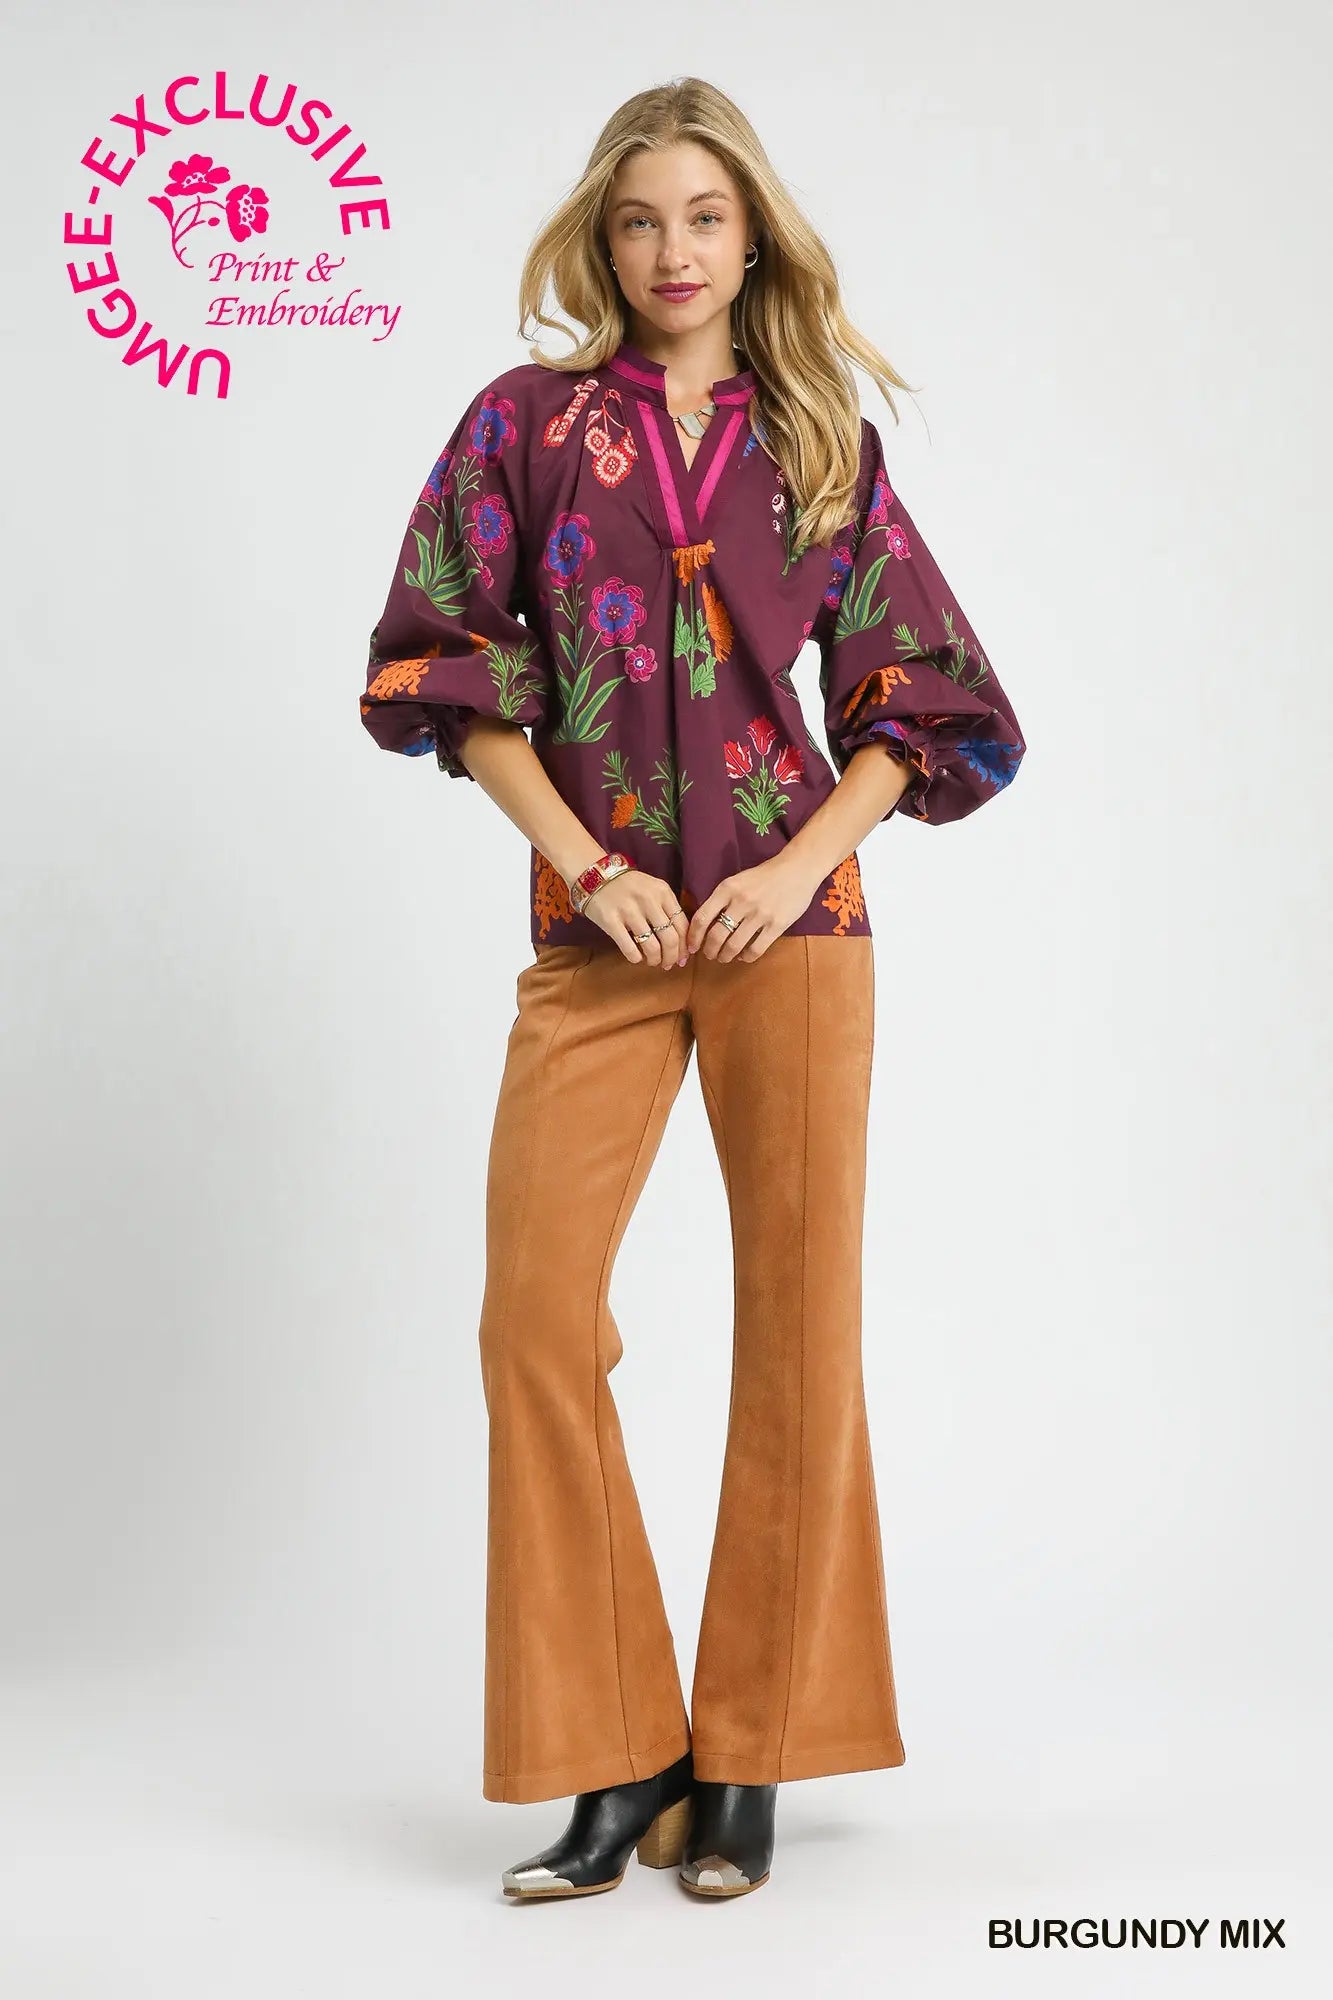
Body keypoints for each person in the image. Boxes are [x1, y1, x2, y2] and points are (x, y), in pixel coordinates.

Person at [359, 76, 1025, 1902]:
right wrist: (591, 867)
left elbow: (921, 697)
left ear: (752, 240)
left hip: (789, 933)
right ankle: (617, 1751)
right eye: (642, 217)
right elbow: (445, 673)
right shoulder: (520, 425)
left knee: (800, 1328)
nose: (672, 250)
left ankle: (749, 1757)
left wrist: (797, 869)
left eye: (705, 218)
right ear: (604, 234)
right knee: (532, 1319)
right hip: (601, 937)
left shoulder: (817, 437)